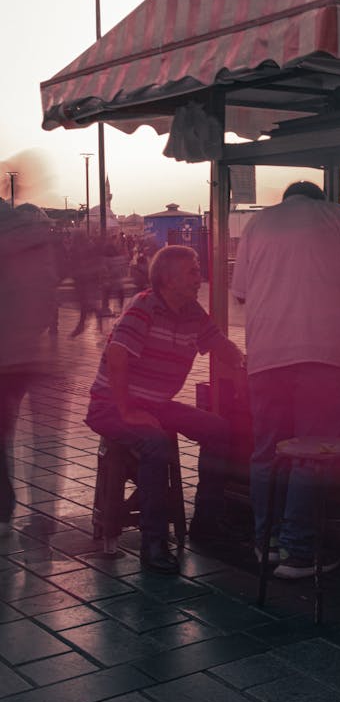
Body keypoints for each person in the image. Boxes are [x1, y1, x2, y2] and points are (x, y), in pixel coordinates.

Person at [231, 181, 340, 579]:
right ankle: (298, 551)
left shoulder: (257, 224)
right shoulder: (335, 215)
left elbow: (239, 292)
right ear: (318, 197)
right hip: (322, 354)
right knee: (311, 451)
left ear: (287, 198)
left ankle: (267, 544)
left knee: (266, 452)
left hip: (265, 355)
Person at [85, 245, 246, 574]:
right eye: (192, 271)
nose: (198, 278)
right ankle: (154, 543)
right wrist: (127, 411)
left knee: (217, 430)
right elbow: (117, 357)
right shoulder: (145, 307)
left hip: (156, 404)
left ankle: (207, 521)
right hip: (110, 405)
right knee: (156, 444)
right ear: (168, 279)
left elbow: (220, 346)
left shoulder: (192, 312)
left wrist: (243, 366)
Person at [0, 201, 58, 533]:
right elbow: (47, 290)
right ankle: (37, 510)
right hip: (27, 355)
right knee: (28, 434)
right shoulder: (33, 238)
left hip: (7, 355)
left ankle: (5, 507)